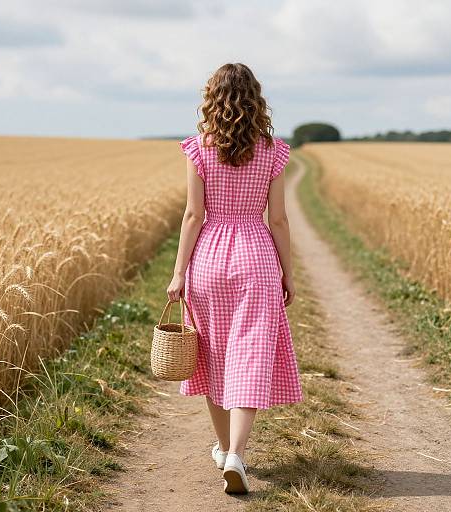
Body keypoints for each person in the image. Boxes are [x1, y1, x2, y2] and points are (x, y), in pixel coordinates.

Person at [166, 62, 303, 494]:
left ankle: (225, 449)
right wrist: (288, 272)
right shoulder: (272, 151)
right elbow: (278, 219)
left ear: (213, 100)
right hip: (257, 260)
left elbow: (193, 215)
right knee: (251, 355)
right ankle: (237, 455)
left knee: (213, 356)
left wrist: (178, 274)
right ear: (256, 100)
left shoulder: (199, 149)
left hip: (208, 260)